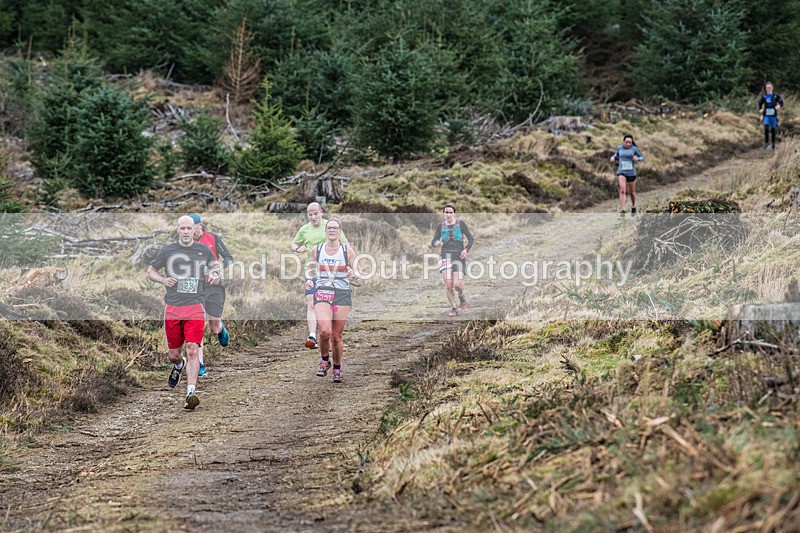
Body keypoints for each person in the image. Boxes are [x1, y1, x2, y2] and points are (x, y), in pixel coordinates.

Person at [146, 215, 221, 410]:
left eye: (189, 228)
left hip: (195, 306)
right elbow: (150, 271)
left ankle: (191, 392)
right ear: (178, 230)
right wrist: (162, 280)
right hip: (173, 307)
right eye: (183, 229)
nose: (186, 232)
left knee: (193, 349)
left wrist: (214, 273)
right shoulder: (168, 251)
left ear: (195, 230)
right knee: (174, 355)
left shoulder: (202, 250)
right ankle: (179, 365)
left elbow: (215, 265)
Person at [305, 218, 359, 383]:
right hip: (323, 291)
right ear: (325, 231)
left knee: (336, 336)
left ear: (340, 231)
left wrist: (353, 274)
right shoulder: (318, 249)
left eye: (335, 228)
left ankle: (337, 368)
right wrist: (308, 279)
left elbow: (358, 273)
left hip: (342, 293)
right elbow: (310, 269)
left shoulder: (347, 251)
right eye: (329, 228)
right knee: (325, 331)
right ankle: (324, 360)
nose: (332, 230)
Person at [291, 202, 347, 350]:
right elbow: (293, 243)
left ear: (321, 212)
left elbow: (345, 245)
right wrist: (298, 248)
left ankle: (328, 333)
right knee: (311, 301)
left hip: (331, 271)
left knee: (330, 304)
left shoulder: (330, 226)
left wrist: (347, 266)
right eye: (310, 214)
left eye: (316, 213)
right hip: (312, 270)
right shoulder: (304, 229)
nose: (313, 217)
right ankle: (312, 336)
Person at [188, 213, 234, 377]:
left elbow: (229, 257)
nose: (188, 231)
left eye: (191, 227)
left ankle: (220, 329)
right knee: (197, 322)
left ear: (200, 226)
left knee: (213, 328)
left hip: (214, 286)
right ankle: (199, 363)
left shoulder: (213, 239)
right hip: (196, 288)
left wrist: (218, 269)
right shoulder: (186, 243)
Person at [431, 204, 474, 317]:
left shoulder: (461, 224)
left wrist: (466, 250)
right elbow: (434, 240)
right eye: (446, 212)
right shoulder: (441, 226)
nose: (448, 214)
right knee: (448, 285)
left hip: (458, 256)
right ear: (444, 213)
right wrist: (436, 243)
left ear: (454, 213)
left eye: (450, 212)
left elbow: (471, 239)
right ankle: (454, 307)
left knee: (457, 284)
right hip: (445, 255)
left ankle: (461, 296)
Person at [610, 134, 645, 216]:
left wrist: (637, 159)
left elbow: (641, 157)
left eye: (630, 142)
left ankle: (633, 206)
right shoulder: (619, 148)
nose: (628, 144)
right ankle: (622, 210)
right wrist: (613, 157)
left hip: (631, 173)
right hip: (621, 172)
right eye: (626, 142)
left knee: (632, 192)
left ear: (632, 142)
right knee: (622, 190)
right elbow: (616, 155)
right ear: (623, 142)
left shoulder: (634, 149)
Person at [758, 82, 784, 150]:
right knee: (766, 128)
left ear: (772, 88)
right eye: (767, 88)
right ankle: (766, 143)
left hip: (773, 115)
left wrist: (779, 105)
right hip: (766, 115)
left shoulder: (775, 96)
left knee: (773, 130)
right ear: (765, 89)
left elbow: (781, 102)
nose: (768, 89)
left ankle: (773, 143)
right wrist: (760, 109)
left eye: (769, 88)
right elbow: (760, 103)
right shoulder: (764, 97)